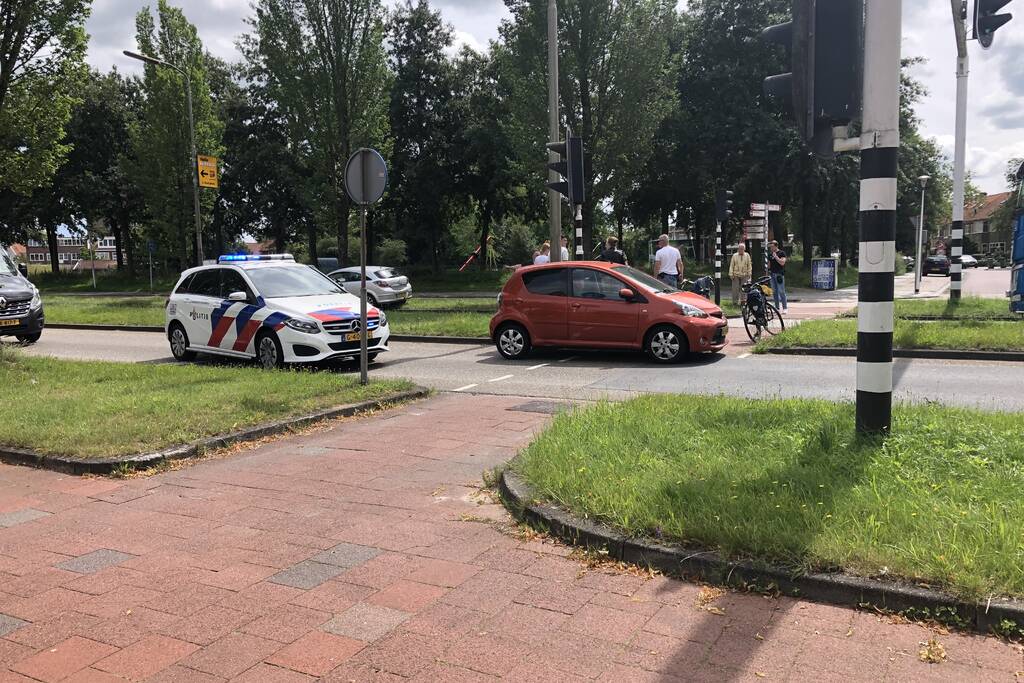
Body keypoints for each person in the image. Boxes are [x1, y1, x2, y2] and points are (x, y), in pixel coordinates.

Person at [769, 240, 788, 312]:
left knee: (781, 291)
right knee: (774, 291)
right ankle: (777, 307)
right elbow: (769, 264)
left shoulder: (782, 253)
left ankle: (785, 308)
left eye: (772, 246)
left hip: (779, 274)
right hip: (772, 274)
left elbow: (782, 263)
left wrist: (776, 257)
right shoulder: (770, 254)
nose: (771, 248)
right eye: (770, 247)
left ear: (776, 246)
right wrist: (767, 273)